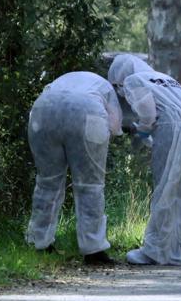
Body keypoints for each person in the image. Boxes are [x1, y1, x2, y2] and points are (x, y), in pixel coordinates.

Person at [107, 54, 181, 266]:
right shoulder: (165, 78)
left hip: (173, 126)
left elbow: (149, 115)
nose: (120, 91)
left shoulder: (134, 80)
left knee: (165, 187)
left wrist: (140, 130)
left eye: (118, 86)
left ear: (120, 77)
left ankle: (154, 250)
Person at [26, 71, 123, 265]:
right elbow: (115, 125)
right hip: (88, 111)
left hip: (43, 109)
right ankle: (93, 249)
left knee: (47, 181)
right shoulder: (104, 87)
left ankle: (38, 242)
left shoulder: (61, 81)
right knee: (90, 185)